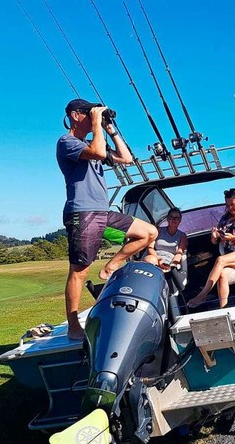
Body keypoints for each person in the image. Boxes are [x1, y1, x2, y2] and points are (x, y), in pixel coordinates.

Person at [57, 98, 158, 340]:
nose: (94, 116)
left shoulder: (94, 140)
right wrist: (97, 126)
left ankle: (111, 267)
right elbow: (98, 152)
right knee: (79, 271)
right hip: (82, 212)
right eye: (87, 112)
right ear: (74, 115)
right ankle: (73, 326)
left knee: (149, 232)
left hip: (102, 211)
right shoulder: (67, 143)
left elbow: (126, 158)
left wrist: (110, 129)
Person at [188, 188, 235, 308]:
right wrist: (214, 236)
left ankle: (202, 295)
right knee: (222, 274)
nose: (230, 208)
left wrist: (233, 237)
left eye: (232, 205)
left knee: (220, 260)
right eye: (227, 205)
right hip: (230, 255)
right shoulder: (224, 218)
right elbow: (215, 241)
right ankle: (224, 307)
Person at [144, 206, 188, 278]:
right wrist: (158, 259)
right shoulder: (158, 230)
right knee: (150, 260)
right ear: (167, 219)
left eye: (177, 218)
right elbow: (150, 247)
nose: (174, 220)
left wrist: (172, 265)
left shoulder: (182, 236)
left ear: (180, 220)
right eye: (171, 217)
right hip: (155, 257)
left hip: (170, 260)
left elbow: (179, 253)